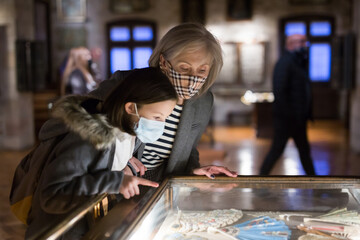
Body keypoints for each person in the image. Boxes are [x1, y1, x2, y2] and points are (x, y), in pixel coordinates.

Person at [25, 67, 178, 239]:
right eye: (157, 118)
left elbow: (101, 165)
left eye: (165, 118)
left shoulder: (127, 132)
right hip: (60, 232)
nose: (161, 125)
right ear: (130, 107)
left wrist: (125, 167)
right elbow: (52, 195)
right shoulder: (87, 137)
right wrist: (115, 181)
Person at [90, 23, 238, 182]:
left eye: (202, 70)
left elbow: (189, 152)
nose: (193, 79)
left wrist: (195, 172)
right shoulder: (126, 82)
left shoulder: (203, 102)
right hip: (113, 186)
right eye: (185, 68)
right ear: (164, 62)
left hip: (159, 190)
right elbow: (81, 117)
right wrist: (114, 156)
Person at [259, 34, 316, 175]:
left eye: (305, 42)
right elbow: (280, 92)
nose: (305, 45)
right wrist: (290, 117)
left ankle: (316, 182)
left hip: (298, 119)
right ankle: (260, 178)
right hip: (287, 119)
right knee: (277, 150)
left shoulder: (297, 62)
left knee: (304, 151)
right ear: (290, 44)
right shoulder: (285, 63)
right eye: (301, 42)